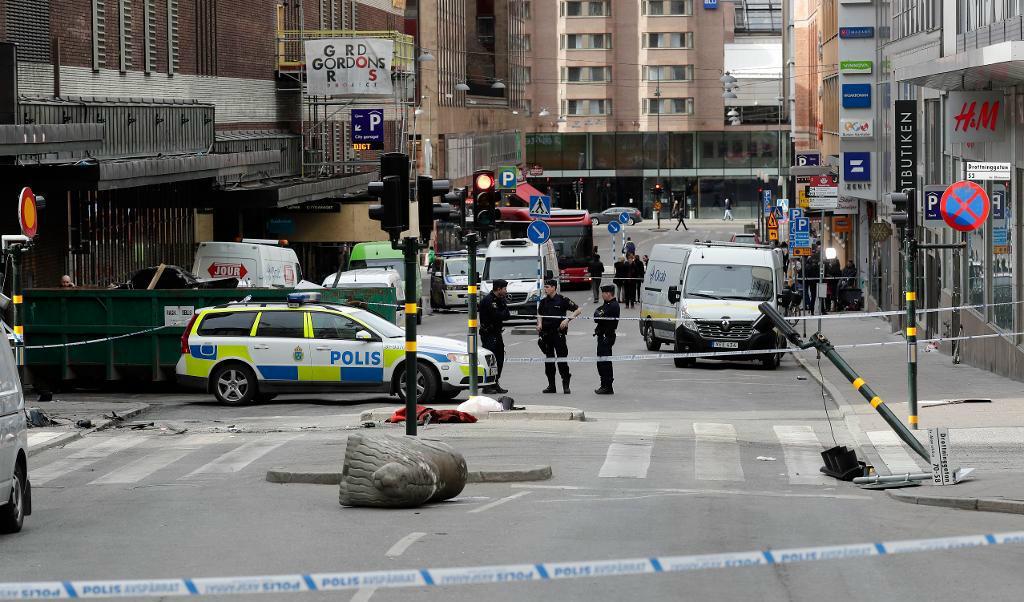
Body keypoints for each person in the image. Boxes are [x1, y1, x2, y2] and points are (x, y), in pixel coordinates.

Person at [536, 279, 581, 394]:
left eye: (547, 287)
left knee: (562, 361)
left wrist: (567, 320)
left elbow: (578, 309)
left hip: (558, 334)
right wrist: (539, 323)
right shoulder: (543, 302)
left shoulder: (562, 300)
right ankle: (551, 386)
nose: (545, 289)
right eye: (544, 287)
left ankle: (566, 385)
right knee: (549, 361)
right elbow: (539, 314)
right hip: (546, 335)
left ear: (553, 288)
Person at [478, 279, 511, 394]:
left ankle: (495, 382)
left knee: (499, 359)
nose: (506, 291)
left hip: (497, 333)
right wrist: (503, 311)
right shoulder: (488, 301)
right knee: (490, 360)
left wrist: (504, 305)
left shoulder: (500, 300)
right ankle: (487, 385)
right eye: (504, 289)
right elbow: (498, 315)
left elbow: (507, 316)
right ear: (498, 289)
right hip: (489, 334)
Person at [593, 284, 620, 395]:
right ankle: (604, 384)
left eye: (603, 293)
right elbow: (597, 313)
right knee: (601, 362)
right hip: (603, 336)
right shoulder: (607, 305)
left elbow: (597, 316)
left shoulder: (612, 306)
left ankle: (607, 386)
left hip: (606, 337)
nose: (602, 295)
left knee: (605, 363)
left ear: (608, 293)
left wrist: (599, 311)